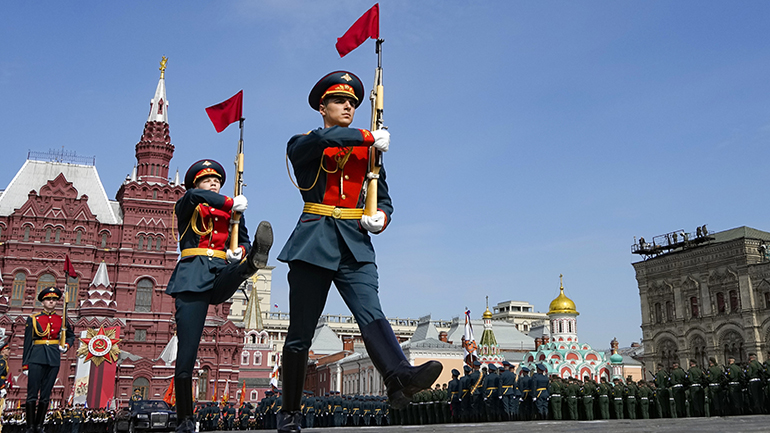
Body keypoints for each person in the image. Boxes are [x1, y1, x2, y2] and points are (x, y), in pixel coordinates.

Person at [276, 71, 442, 432]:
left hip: (355, 243)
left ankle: (398, 375)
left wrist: (380, 217)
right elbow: (322, 140)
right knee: (301, 333)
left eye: (352, 102)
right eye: (340, 101)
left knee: (372, 313)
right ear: (323, 107)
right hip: (314, 242)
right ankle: (288, 410)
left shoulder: (369, 153)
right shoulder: (305, 142)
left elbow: (383, 198)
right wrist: (368, 136)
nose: (348, 106)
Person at [166, 159, 273, 433]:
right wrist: (228, 202)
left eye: (217, 180)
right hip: (192, 278)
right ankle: (185, 418)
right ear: (197, 184)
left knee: (242, 266)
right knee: (187, 356)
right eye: (207, 180)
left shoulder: (233, 214)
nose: (214, 183)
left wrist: (242, 251)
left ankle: (251, 265)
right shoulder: (189, 204)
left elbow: (245, 239)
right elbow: (191, 195)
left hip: (221, 273)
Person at [23, 287, 74, 433]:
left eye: (54, 300)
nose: (51, 302)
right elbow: (27, 343)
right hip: (36, 357)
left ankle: (39, 426)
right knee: (32, 394)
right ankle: (30, 426)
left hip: (53, 358)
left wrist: (66, 345)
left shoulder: (61, 320)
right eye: (48, 299)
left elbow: (70, 335)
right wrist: (25, 365)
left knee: (46, 395)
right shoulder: (33, 319)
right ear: (42, 302)